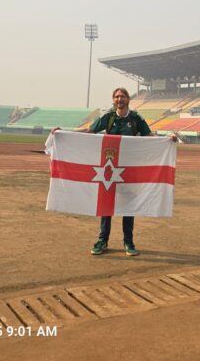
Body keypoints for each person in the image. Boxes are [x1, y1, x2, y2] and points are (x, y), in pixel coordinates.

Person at [52, 87, 175, 257]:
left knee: (129, 207)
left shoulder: (136, 118)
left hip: (129, 169)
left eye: (122, 96)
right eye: (117, 97)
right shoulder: (108, 117)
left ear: (128, 99)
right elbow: (89, 131)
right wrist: (64, 132)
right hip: (109, 168)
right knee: (106, 205)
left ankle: (128, 242)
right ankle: (103, 240)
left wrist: (167, 138)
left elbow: (148, 135)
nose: (119, 99)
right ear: (113, 99)